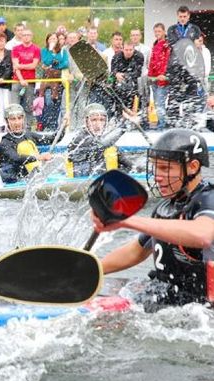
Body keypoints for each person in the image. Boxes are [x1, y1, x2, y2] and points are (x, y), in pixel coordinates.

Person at [91, 129, 214, 310]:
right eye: (156, 167)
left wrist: (126, 220)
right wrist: (90, 271)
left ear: (193, 167)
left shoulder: (209, 199)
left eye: (165, 168)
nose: (158, 176)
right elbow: (135, 252)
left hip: (199, 312)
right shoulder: (166, 207)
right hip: (166, 296)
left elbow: (202, 235)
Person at [66, 103, 133, 177]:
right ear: (86, 122)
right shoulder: (79, 140)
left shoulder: (111, 145)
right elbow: (101, 144)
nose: (98, 124)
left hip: (103, 184)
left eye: (102, 120)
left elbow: (130, 167)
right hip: (80, 186)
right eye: (94, 120)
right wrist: (126, 125)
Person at [0, 104, 52, 184]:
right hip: (12, 182)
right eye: (13, 119)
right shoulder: (5, 143)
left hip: (28, 178)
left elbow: (51, 139)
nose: (17, 122)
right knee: (23, 147)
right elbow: (17, 158)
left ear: (23, 119)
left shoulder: (28, 135)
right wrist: (39, 157)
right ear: (7, 121)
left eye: (19, 118)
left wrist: (63, 127)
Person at [148, 22, 170, 130]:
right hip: (154, 79)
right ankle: (161, 123)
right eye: (155, 31)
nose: (157, 33)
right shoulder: (155, 44)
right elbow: (153, 62)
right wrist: (150, 76)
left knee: (160, 103)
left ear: (164, 32)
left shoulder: (167, 45)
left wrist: (164, 74)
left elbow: (166, 61)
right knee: (157, 104)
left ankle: (163, 125)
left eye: (159, 31)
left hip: (162, 79)